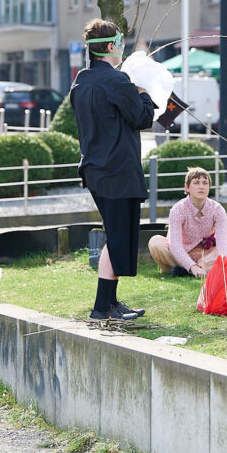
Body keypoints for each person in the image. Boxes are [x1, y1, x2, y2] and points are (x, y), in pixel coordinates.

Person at [70, 18, 156, 321]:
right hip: (119, 170)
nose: (121, 49)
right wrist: (144, 93)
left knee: (115, 233)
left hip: (95, 170)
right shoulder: (118, 81)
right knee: (118, 237)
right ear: (110, 47)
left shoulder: (80, 81)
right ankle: (102, 307)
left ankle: (112, 302)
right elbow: (142, 119)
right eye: (119, 44)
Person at [148, 167, 227, 277]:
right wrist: (191, 265)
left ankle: (187, 271)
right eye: (196, 183)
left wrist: (220, 261)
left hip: (207, 255)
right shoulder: (177, 209)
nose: (201, 186)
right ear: (187, 188)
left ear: (209, 187)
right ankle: (195, 269)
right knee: (155, 241)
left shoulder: (218, 209)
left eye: (205, 183)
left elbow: (222, 243)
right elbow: (175, 246)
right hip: (180, 253)